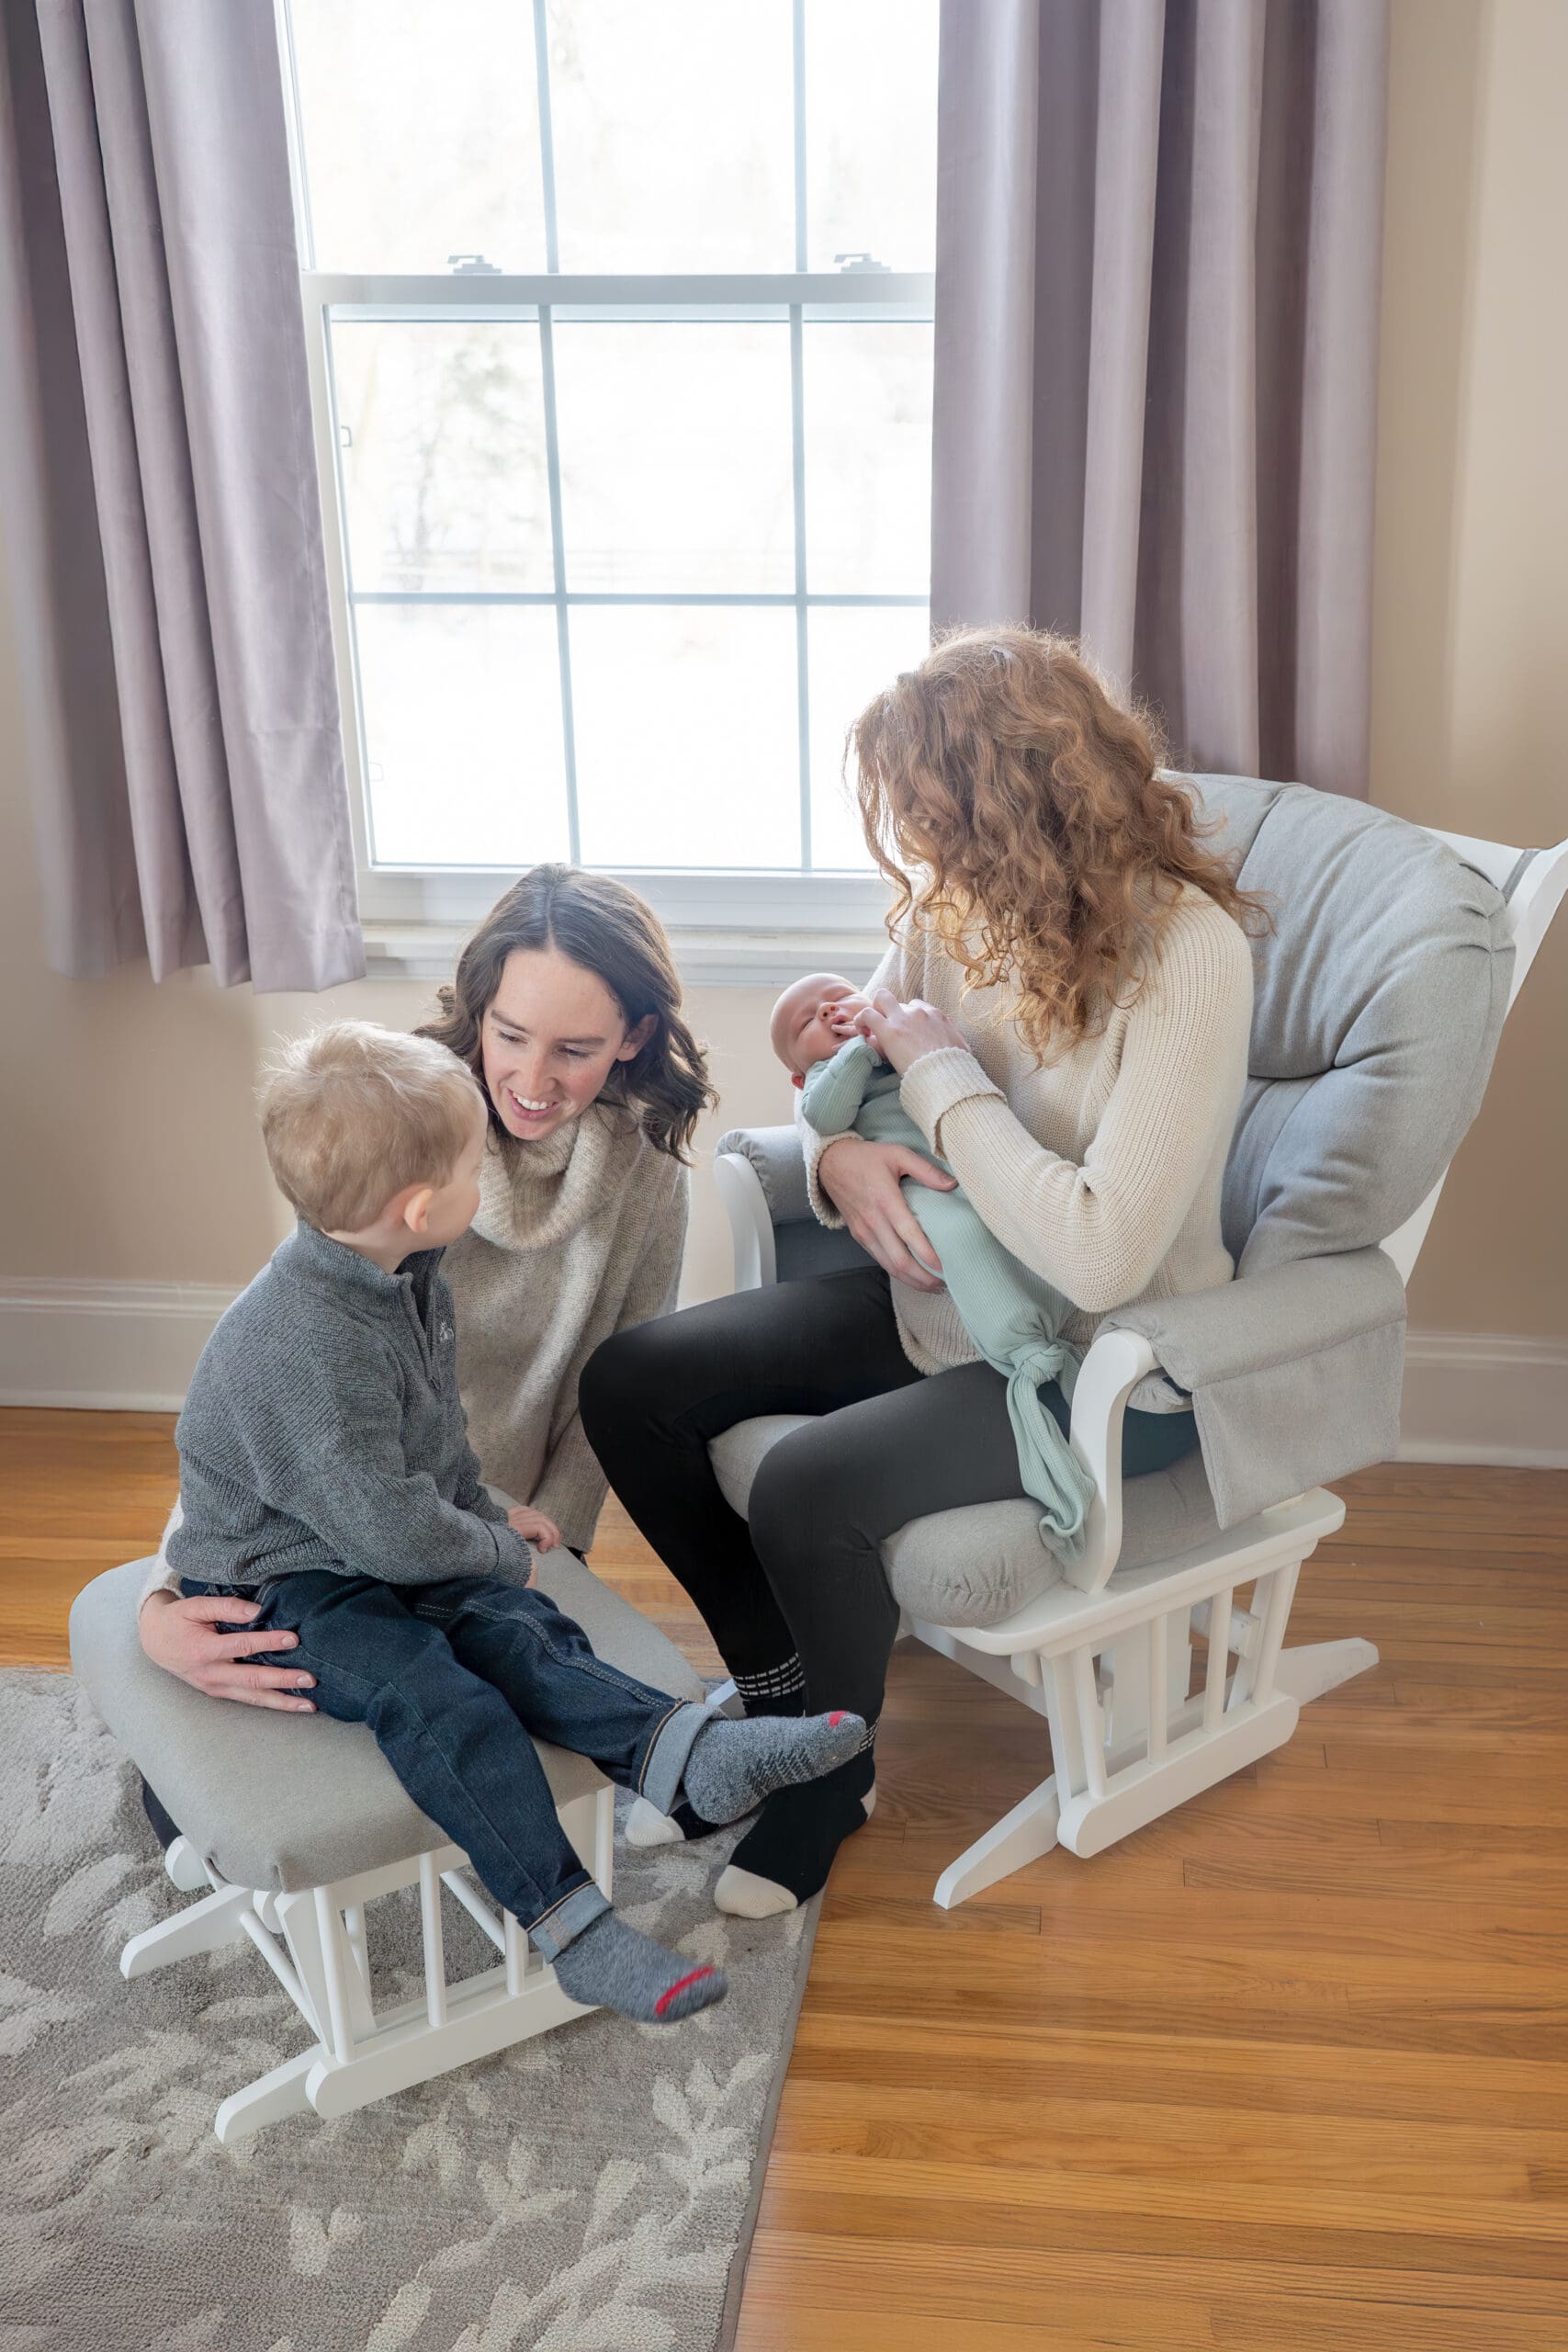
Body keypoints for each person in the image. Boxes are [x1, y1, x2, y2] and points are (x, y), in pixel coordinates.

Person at [580, 627, 1261, 1920]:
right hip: (943, 1298)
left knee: (804, 1485)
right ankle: (781, 1700)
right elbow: (851, 1082)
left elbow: (1100, 1250)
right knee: (632, 1384)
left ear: (1018, 812)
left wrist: (941, 1081)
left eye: (935, 824)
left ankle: (825, 1785)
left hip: (1098, 1362)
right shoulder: (960, 912)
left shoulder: (1188, 959)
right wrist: (836, 1158)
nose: (921, 859)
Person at [161, 1020, 864, 2023]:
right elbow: (387, 1534)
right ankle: (570, 1923)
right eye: (468, 1161)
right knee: (439, 1693)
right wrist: (486, 1548)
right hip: (281, 1583)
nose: (482, 1169)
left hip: (364, 1533)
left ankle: (689, 1757)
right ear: (419, 1204)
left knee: (517, 1632)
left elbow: (432, 1440)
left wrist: (484, 1512)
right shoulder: (304, 1343)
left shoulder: (405, 1276)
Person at [139, 868, 712, 1783]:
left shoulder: (646, 1178)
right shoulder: (402, 1121)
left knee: (513, 1740)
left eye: (574, 1047)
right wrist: (164, 1593)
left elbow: (615, 1389)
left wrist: (550, 1553)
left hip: (475, 1547)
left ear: (635, 1036)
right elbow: (279, 1376)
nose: (530, 1078)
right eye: (509, 1034)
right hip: (321, 1542)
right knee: (215, 1798)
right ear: (478, 1008)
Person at [770, 970, 1096, 1560]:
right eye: (807, 1023)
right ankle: (1021, 1347)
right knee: (953, 1243)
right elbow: (823, 1115)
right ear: (798, 1069)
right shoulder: (831, 1073)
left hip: (971, 1157)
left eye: (837, 998)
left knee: (1007, 1232)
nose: (827, 1013)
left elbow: (959, 1064)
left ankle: (1045, 1317)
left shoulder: (902, 1031)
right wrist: (859, 1054)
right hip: (915, 1186)